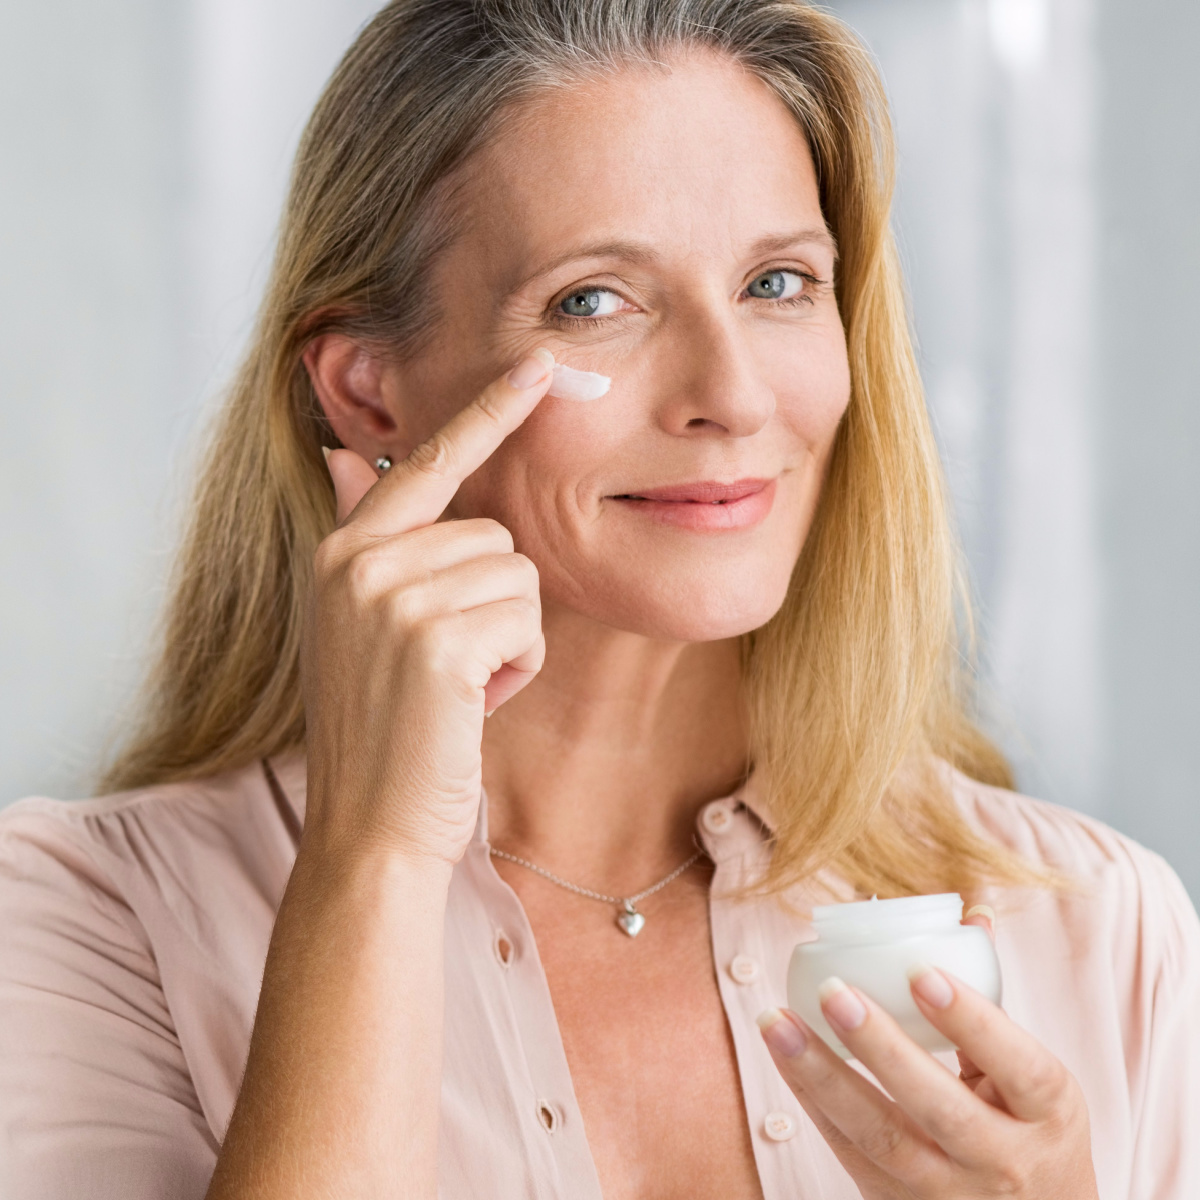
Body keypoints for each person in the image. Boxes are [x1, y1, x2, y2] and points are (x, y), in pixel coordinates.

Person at [1, 1, 1196, 1197]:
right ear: (366, 393)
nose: (730, 396)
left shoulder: (1102, 933)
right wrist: (374, 860)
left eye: (779, 281)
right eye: (594, 301)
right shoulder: (89, 931)